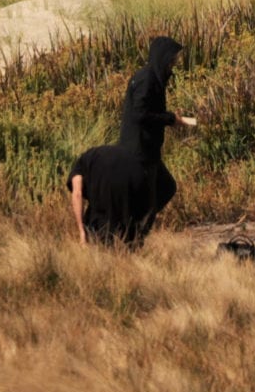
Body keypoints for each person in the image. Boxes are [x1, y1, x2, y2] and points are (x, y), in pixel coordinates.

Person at [68, 36, 199, 245]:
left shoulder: (154, 78)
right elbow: (139, 113)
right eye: (172, 60)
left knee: (164, 188)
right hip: (137, 152)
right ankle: (130, 237)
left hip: (148, 151)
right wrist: (171, 119)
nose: (173, 64)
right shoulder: (147, 78)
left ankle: (132, 233)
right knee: (151, 193)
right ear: (162, 57)